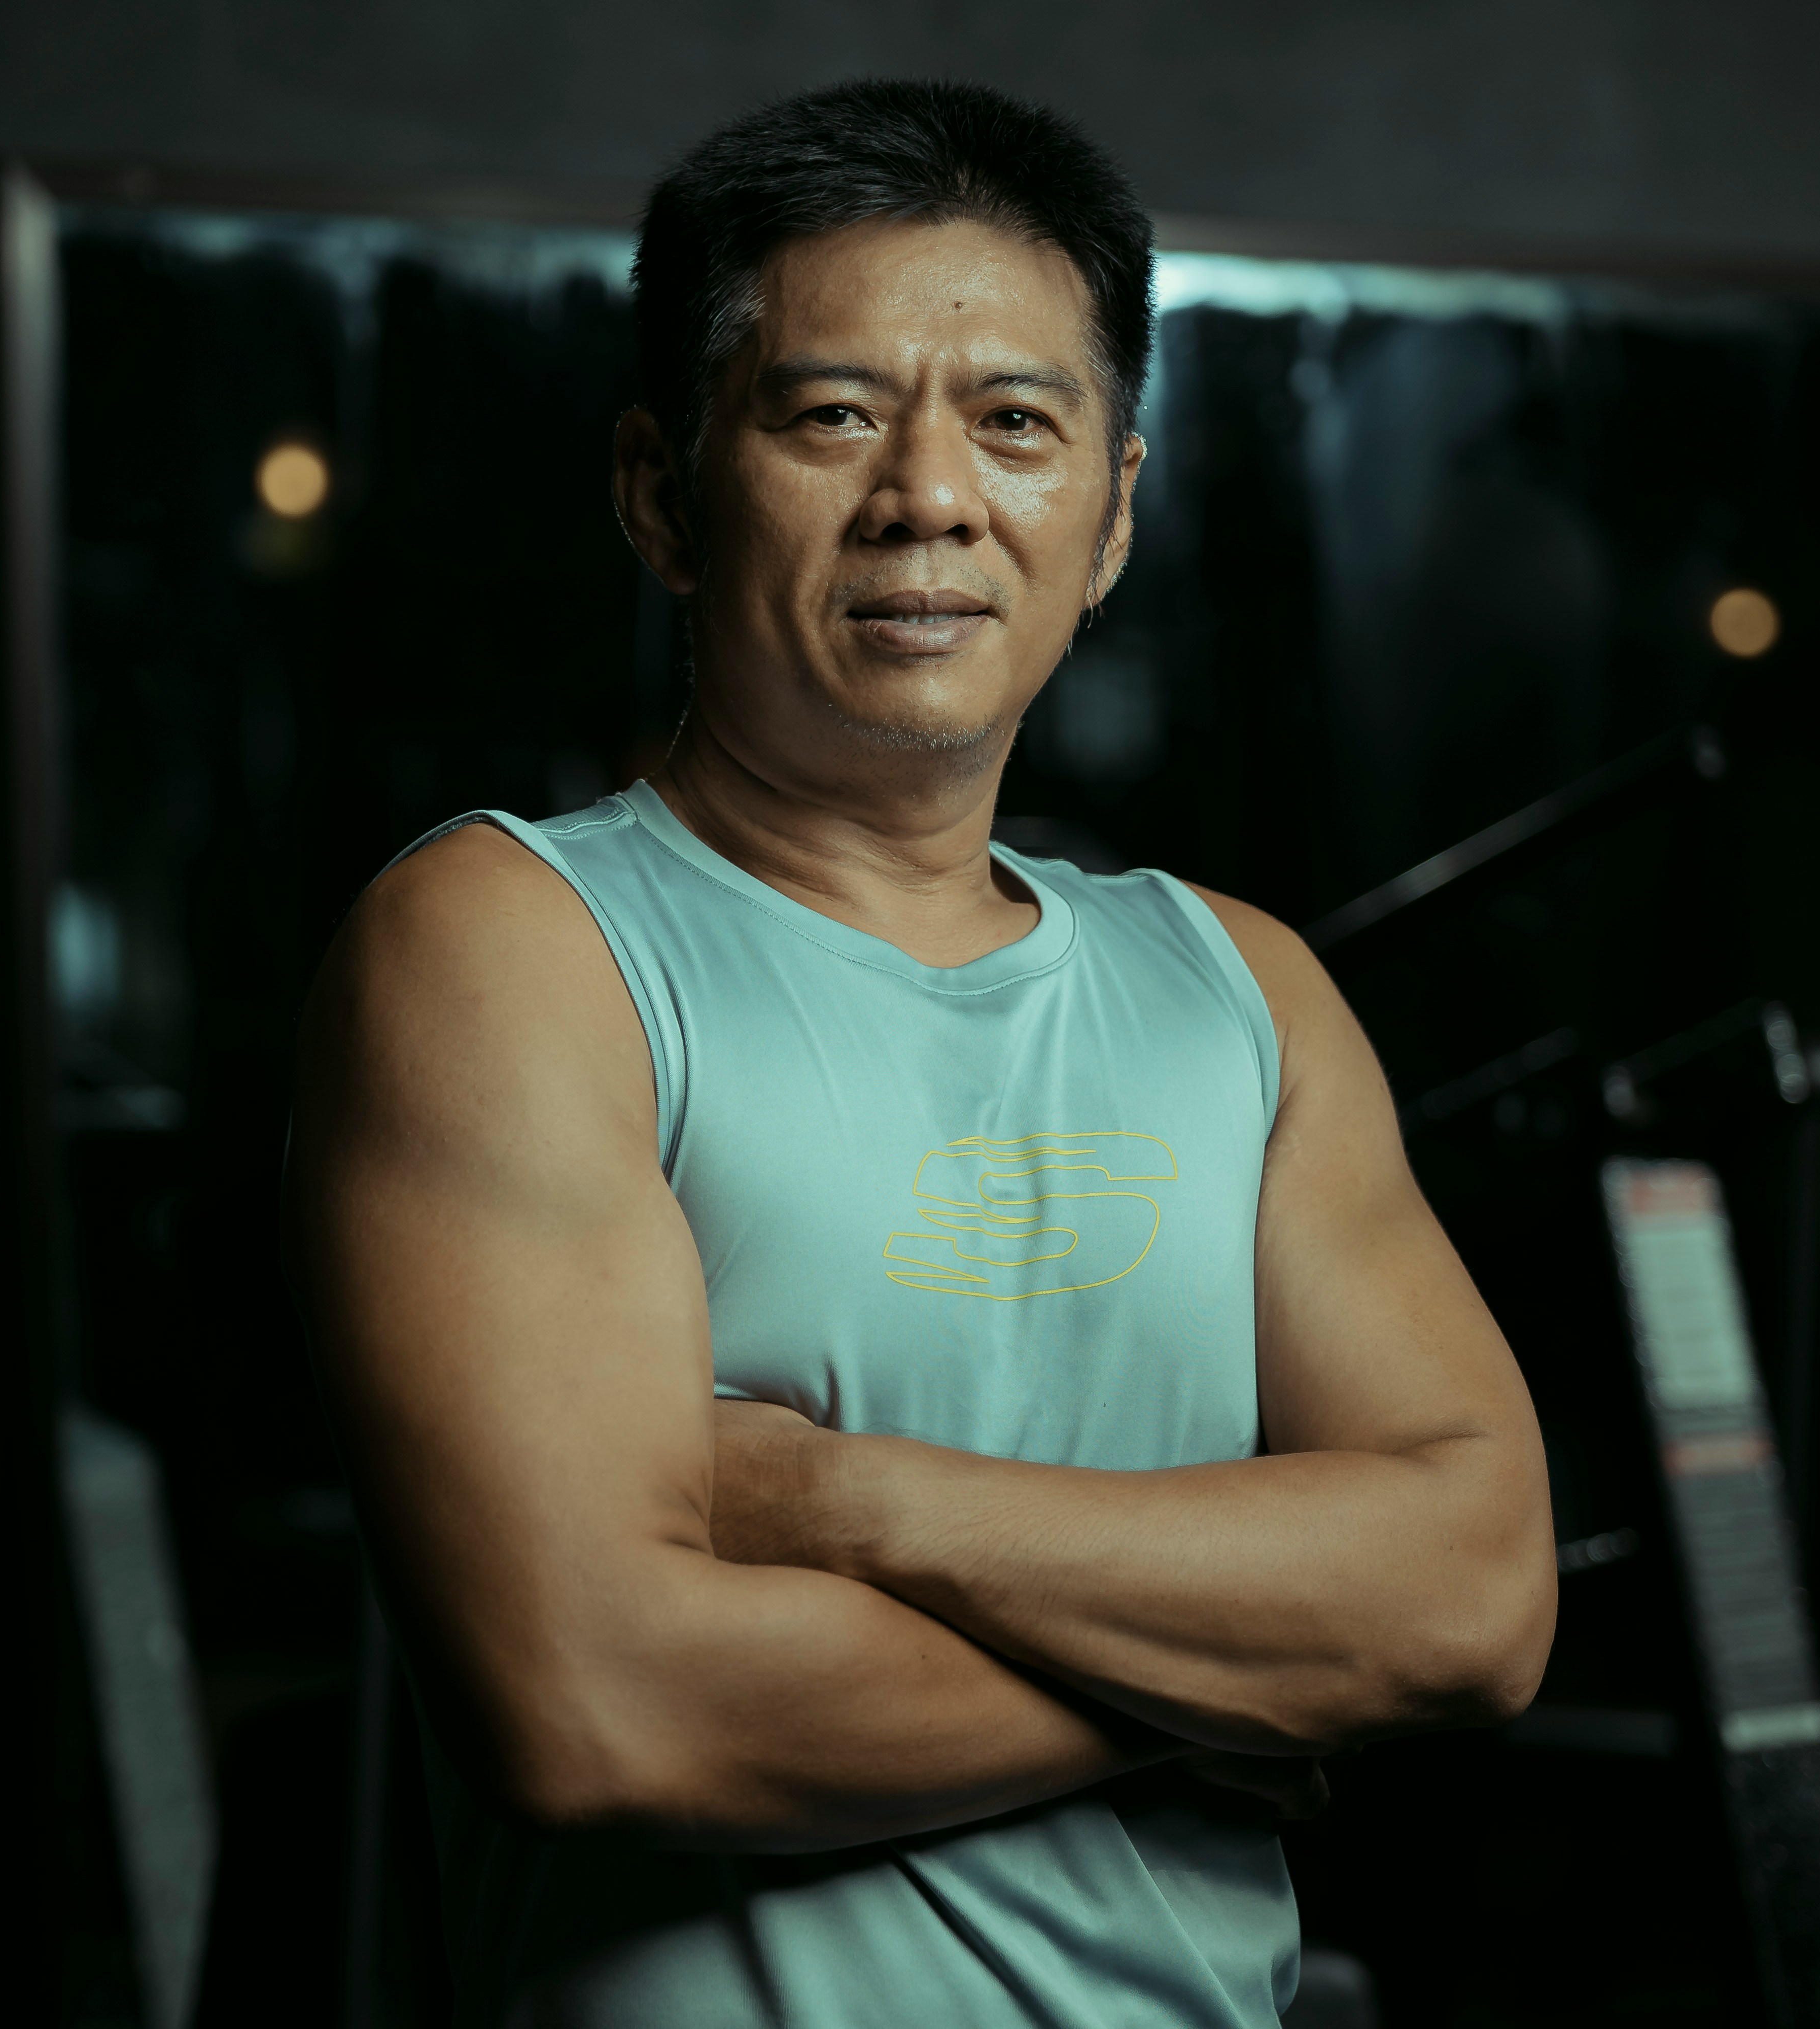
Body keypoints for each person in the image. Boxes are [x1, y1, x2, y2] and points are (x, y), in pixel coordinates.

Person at [284, 79, 1556, 2028]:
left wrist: (835, 1505)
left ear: (1112, 514)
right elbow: (601, 1705)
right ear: (660, 492)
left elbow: (1473, 1598)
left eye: (1018, 424)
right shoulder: (512, 951)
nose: (932, 499)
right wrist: (1235, 1685)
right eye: (832, 415)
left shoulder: (1244, 990)